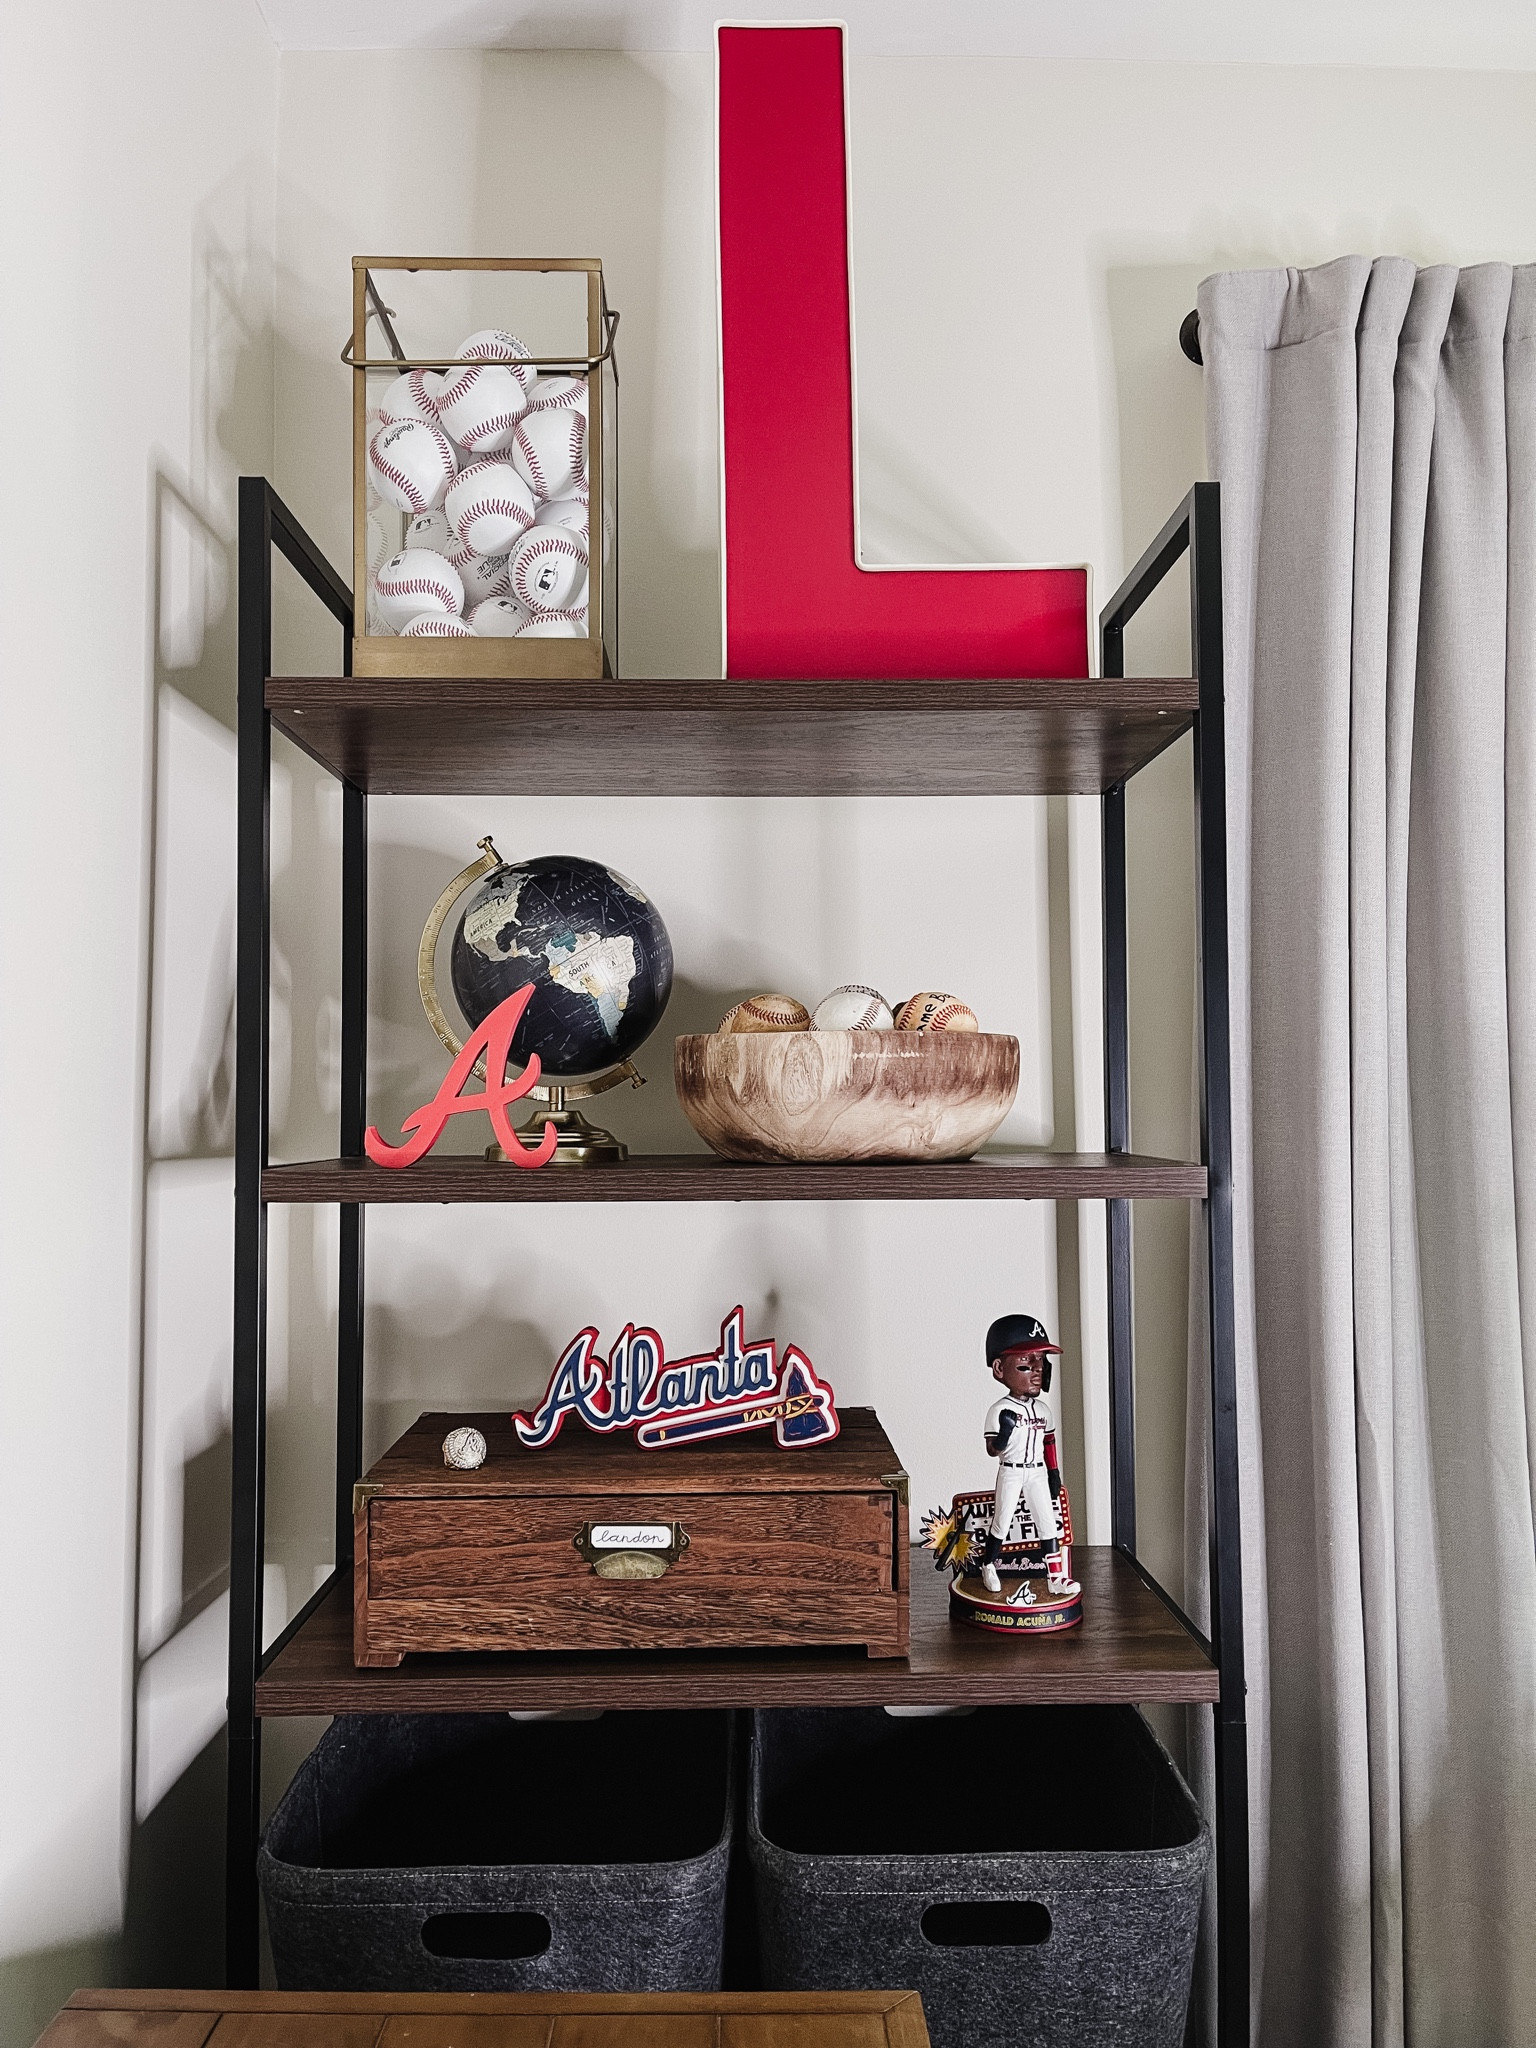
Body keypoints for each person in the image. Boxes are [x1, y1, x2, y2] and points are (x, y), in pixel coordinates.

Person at [978, 1313, 1079, 1602]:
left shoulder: (1043, 1410)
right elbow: (992, 1450)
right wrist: (1004, 1433)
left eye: (1041, 1363)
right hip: (1010, 1470)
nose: (1036, 1371)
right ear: (999, 1368)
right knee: (1002, 1521)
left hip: (1036, 1472)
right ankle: (988, 1565)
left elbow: (1049, 1442)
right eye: (1025, 1364)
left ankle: (1056, 1578)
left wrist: (1054, 1472)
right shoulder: (999, 1409)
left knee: (1048, 1523)